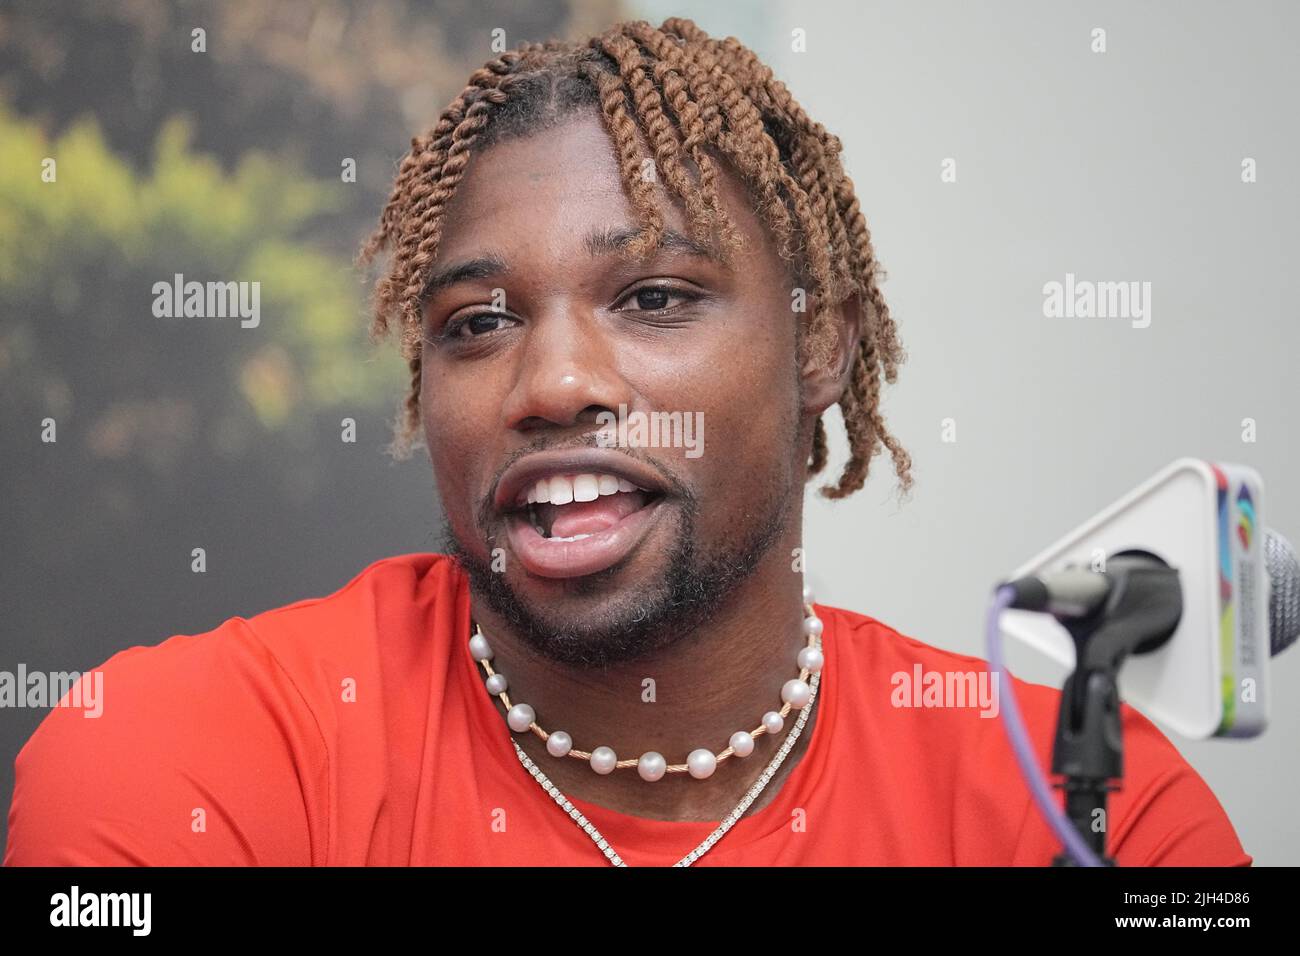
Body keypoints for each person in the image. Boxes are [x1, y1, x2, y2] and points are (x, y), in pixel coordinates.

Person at [4, 18, 1250, 866]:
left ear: (821, 347)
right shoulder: (193, 757)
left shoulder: (1088, 805)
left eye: (654, 297)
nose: (550, 382)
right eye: (477, 321)